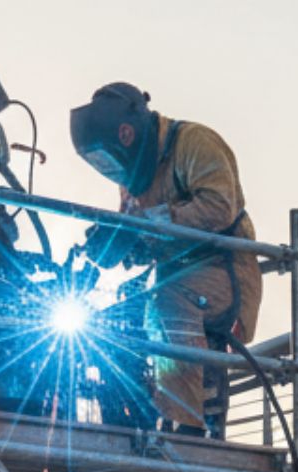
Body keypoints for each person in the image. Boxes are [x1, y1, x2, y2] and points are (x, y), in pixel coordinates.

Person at [71, 82, 260, 439]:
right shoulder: (132, 177)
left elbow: (220, 207)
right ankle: (128, 424)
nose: (111, 171)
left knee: (166, 301)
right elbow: (136, 231)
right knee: (118, 316)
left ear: (126, 134)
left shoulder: (193, 143)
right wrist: (114, 243)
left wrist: (150, 223)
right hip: (174, 273)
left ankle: (186, 429)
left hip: (226, 269)